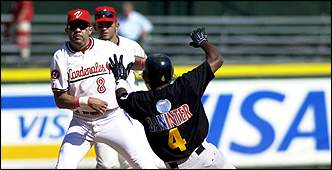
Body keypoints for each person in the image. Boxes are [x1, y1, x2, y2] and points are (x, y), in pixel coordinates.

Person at [108, 27, 236, 169]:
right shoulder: (186, 85)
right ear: (171, 74)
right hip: (207, 156)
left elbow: (122, 97)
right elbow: (216, 59)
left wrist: (119, 79)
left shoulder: (142, 101)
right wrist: (203, 42)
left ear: (146, 78)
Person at [49, 8, 157, 169]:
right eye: (73, 26)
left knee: (144, 164)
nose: (77, 30)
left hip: (112, 118)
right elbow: (60, 100)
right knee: (64, 166)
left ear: (90, 29)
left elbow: (136, 62)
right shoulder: (60, 56)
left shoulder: (106, 48)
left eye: (82, 25)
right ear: (67, 30)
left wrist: (159, 66)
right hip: (81, 121)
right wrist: (87, 101)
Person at [92, 6, 165, 169]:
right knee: (106, 164)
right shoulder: (90, 50)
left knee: (132, 162)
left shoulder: (131, 46)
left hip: (130, 111)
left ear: (117, 25)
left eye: (108, 24)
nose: (104, 28)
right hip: (104, 113)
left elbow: (148, 76)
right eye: (101, 24)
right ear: (95, 26)